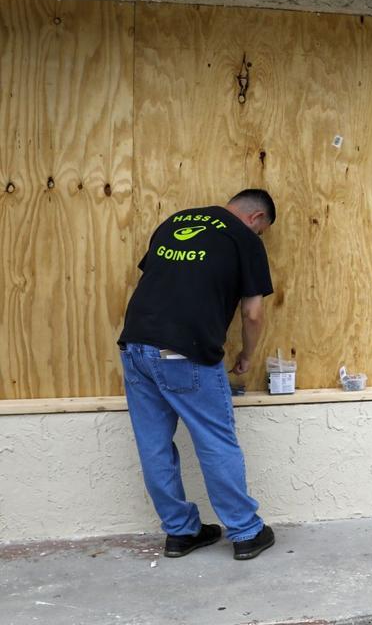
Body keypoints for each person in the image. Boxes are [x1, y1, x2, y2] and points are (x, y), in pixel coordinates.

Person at [118, 189, 278, 559]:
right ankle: (245, 531)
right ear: (256, 219)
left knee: (154, 444)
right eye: (262, 231)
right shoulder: (244, 239)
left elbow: (164, 280)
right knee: (215, 440)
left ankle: (181, 532)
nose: (259, 238)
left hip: (135, 345)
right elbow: (252, 314)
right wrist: (247, 356)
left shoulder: (175, 221)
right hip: (184, 351)